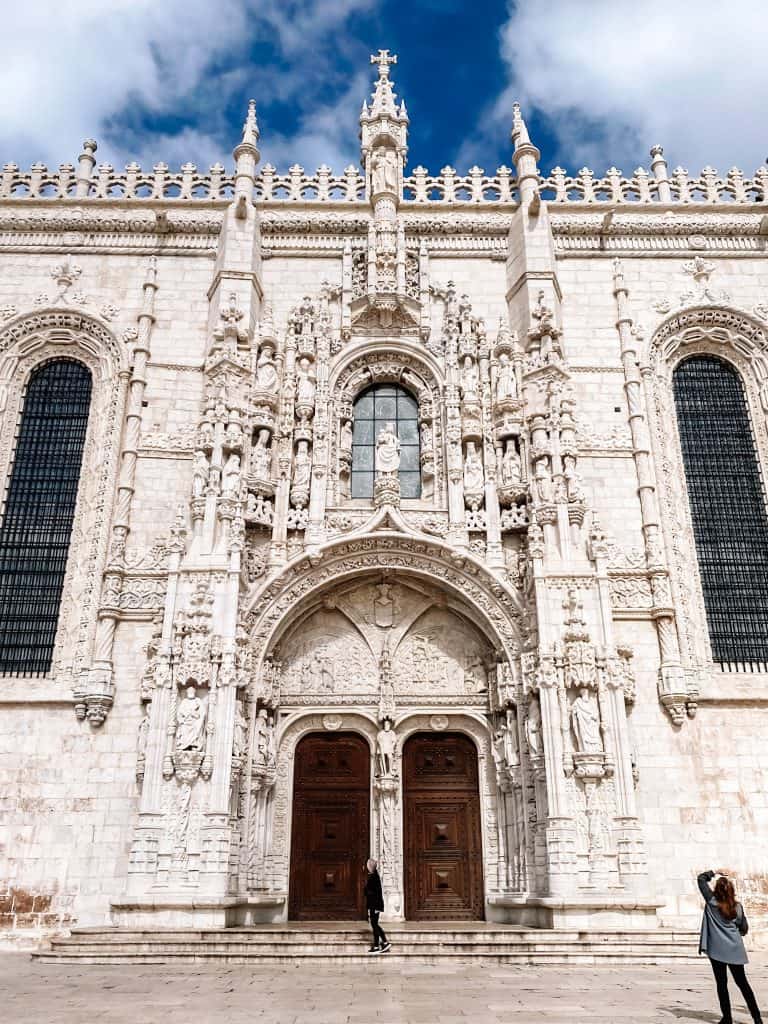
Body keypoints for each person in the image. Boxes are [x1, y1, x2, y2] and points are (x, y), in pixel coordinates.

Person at [698, 869, 762, 1024]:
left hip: (717, 950)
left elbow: (701, 879)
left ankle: (727, 1018)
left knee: (722, 984)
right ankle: (757, 1018)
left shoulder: (711, 902)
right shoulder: (737, 907)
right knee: (743, 984)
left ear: (716, 890)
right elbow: (744, 928)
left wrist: (714, 872)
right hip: (735, 949)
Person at [364, 858, 390, 954]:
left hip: (375, 905)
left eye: (368, 865)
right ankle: (384, 942)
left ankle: (377, 945)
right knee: (374, 924)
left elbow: (376, 893)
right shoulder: (373, 876)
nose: (367, 866)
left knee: (374, 925)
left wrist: (377, 907)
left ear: (370, 866)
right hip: (374, 905)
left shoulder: (374, 877)